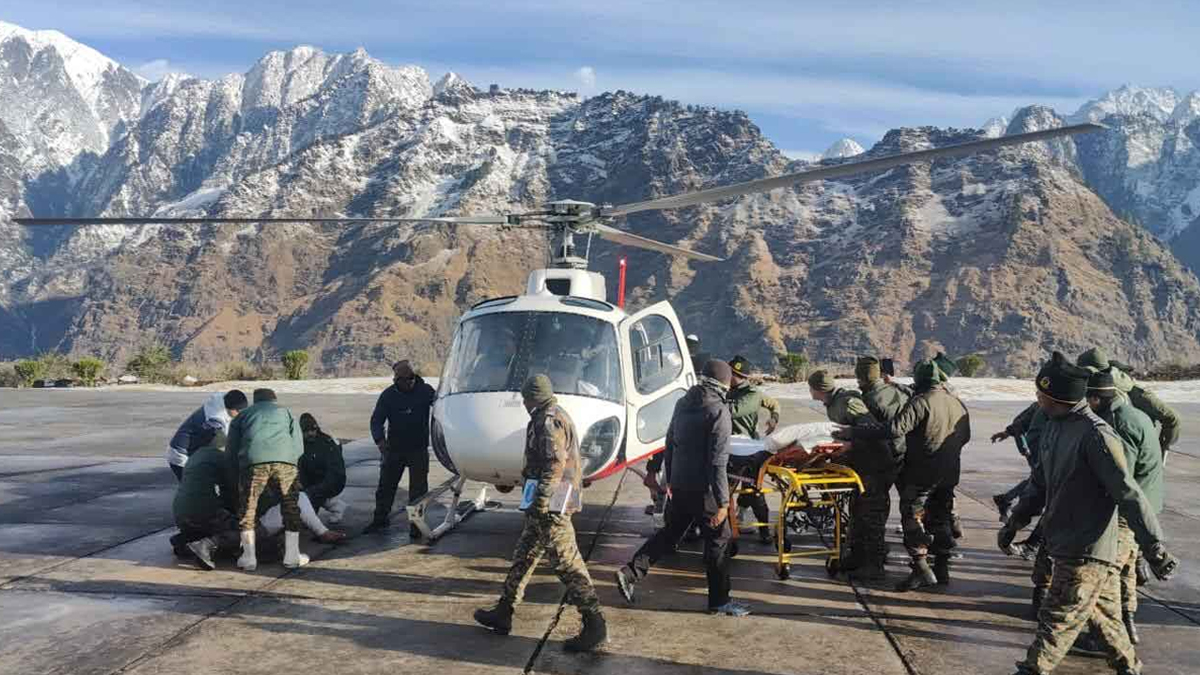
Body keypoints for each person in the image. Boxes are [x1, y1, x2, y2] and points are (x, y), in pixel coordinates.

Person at [998, 352, 1177, 675]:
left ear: (1060, 398)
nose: (1037, 400)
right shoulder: (1055, 426)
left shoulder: (1097, 436)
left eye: (1042, 396)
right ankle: (1130, 668)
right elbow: (1039, 483)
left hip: (1086, 549)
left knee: (1056, 621)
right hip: (1063, 542)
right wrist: (1014, 523)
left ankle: (1030, 670)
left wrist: (1154, 547)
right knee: (1108, 622)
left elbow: (1129, 493)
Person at [474, 375, 607, 651]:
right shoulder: (549, 414)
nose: (523, 403)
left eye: (525, 398)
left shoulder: (549, 420)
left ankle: (595, 625)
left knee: (567, 563)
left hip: (551, 508)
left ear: (534, 396)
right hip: (543, 505)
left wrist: (542, 501)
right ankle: (504, 612)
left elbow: (553, 466)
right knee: (523, 556)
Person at [615, 360, 748, 617]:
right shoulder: (719, 411)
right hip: (707, 490)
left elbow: (670, 444)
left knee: (670, 533)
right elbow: (718, 462)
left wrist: (670, 482)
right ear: (724, 383)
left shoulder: (683, 403)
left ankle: (630, 573)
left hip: (682, 484)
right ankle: (719, 601)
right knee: (719, 539)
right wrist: (722, 503)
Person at [836, 360, 970, 591]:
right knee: (940, 516)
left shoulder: (921, 402)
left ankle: (920, 568)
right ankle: (941, 567)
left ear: (919, 381)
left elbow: (894, 428)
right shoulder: (956, 403)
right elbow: (965, 436)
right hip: (949, 472)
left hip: (922, 473)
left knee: (912, 517)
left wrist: (854, 432)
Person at [1083, 368, 1164, 646]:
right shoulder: (1136, 414)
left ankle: (1109, 636)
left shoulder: (1117, 422)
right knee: (1127, 567)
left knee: (1110, 572)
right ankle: (1129, 626)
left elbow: (1120, 477)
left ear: (1095, 399)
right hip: (1145, 504)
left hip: (1128, 510)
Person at [226, 388, 307, 572]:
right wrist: (289, 462)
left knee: (248, 509)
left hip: (254, 463)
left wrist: (238, 472)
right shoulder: (286, 412)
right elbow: (299, 446)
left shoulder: (243, 416)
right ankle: (292, 556)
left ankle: (249, 558)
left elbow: (231, 451)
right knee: (290, 506)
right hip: (285, 462)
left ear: (255, 401)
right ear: (274, 399)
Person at [847, 356, 910, 582]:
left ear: (861, 376)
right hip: (900, 457)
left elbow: (872, 434)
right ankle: (869, 556)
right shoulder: (897, 392)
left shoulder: (870, 400)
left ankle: (873, 565)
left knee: (871, 511)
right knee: (877, 508)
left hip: (879, 461)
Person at [366, 361, 438, 538]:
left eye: (411, 378)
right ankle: (380, 520)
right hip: (394, 449)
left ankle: (416, 525)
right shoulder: (388, 396)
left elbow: (441, 407)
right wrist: (380, 441)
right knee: (386, 487)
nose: (408, 382)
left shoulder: (426, 391)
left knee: (418, 491)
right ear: (395, 380)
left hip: (418, 449)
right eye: (403, 379)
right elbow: (376, 421)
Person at [1078, 349, 1181, 463]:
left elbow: (1172, 417)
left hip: (1132, 458)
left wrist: (1162, 448)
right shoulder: (1126, 387)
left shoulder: (1132, 393)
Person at [726, 355, 780, 545]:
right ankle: (735, 520)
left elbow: (733, 410)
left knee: (753, 490)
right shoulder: (726, 390)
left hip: (745, 448)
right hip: (727, 447)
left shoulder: (751, 394)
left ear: (738, 376)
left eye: (730, 374)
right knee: (728, 490)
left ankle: (764, 529)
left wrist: (774, 418)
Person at [171, 430, 240, 570]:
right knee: (244, 529)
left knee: (209, 521)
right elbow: (231, 492)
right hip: (201, 511)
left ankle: (185, 539)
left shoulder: (194, 457)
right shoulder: (220, 457)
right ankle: (205, 545)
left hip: (179, 512)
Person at [166, 390, 248, 481]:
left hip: (194, 451)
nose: (239, 415)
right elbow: (223, 444)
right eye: (238, 412)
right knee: (194, 490)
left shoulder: (224, 398)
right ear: (231, 409)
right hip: (181, 456)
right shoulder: (215, 420)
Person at [299, 413, 348, 525]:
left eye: (313, 430)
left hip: (334, 479)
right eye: (306, 431)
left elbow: (335, 472)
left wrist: (315, 491)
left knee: (310, 494)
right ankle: (334, 505)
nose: (310, 433)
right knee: (302, 492)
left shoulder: (327, 443)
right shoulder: (302, 444)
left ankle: (334, 506)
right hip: (315, 479)